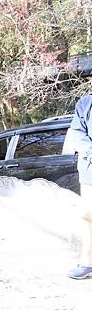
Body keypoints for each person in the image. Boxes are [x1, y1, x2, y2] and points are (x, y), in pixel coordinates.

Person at [66, 94, 92, 280]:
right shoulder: (86, 102)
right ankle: (88, 262)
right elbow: (76, 132)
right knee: (88, 216)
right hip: (89, 170)